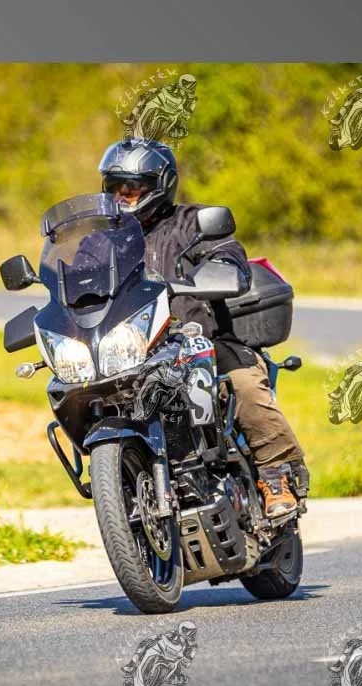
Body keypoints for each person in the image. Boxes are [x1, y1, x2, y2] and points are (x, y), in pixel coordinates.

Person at [98, 138, 308, 518]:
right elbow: (76, 279)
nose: (122, 196)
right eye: (115, 187)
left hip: (197, 340)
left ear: (160, 185)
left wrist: (222, 269)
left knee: (243, 381)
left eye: (132, 187)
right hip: (128, 349)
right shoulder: (101, 240)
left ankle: (277, 473)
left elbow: (227, 255)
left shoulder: (193, 224)